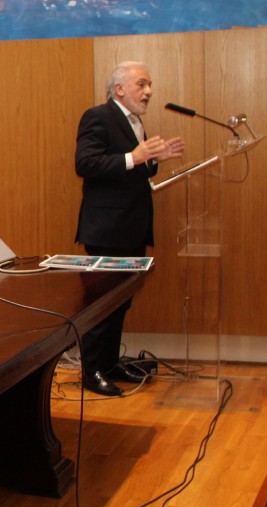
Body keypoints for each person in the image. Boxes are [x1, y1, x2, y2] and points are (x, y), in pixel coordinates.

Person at [74, 61, 184, 396]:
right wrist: (135, 157)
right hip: (106, 229)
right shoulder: (98, 116)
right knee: (103, 303)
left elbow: (132, 171)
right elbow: (85, 163)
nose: (149, 92)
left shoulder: (134, 121)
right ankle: (91, 371)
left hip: (132, 226)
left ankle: (109, 363)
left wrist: (152, 161)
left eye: (149, 85)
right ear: (119, 88)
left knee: (121, 302)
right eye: (141, 84)